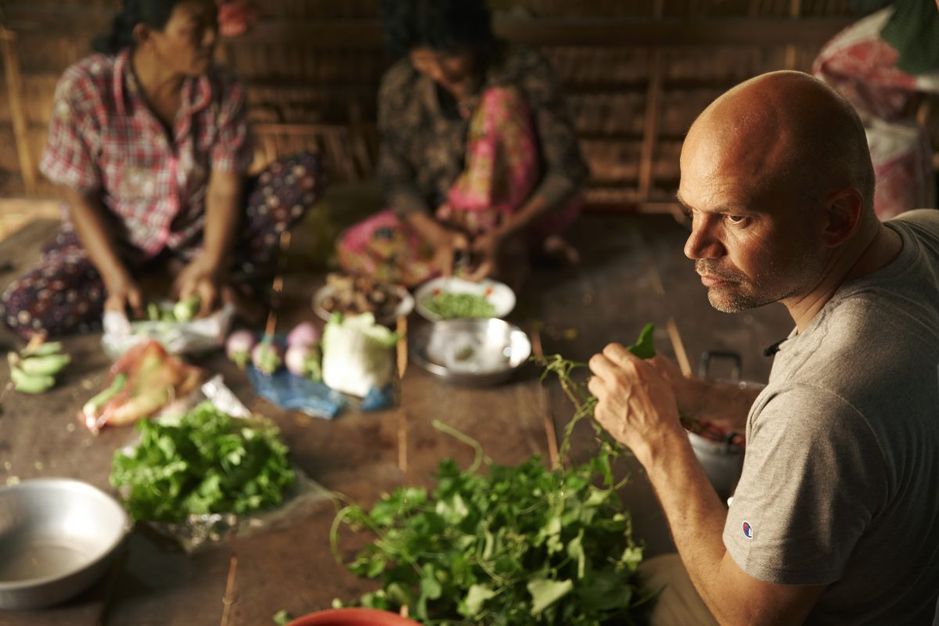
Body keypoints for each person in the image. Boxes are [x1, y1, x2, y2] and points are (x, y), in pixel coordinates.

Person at [589, 71, 939, 624]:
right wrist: (695, 396)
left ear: (836, 218)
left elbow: (748, 616)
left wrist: (656, 439)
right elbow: (857, 433)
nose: (694, 246)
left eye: (735, 216)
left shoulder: (819, 408)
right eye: (691, 211)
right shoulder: (925, 233)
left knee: (634, 591)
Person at [0, 0, 323, 340]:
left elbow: (225, 188)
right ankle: (170, 286)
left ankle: (203, 278)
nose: (212, 38)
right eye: (196, 28)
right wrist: (116, 278)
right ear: (147, 35)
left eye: (214, 24)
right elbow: (79, 196)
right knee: (25, 307)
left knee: (303, 174)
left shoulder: (224, 90)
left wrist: (212, 262)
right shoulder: (87, 89)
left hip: (197, 236)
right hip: (120, 242)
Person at [336, 0, 588, 288]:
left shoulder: (522, 71)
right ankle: (479, 257)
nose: (440, 72)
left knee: (501, 106)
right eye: (423, 60)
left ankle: (513, 246)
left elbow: (567, 172)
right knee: (354, 248)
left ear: (475, 41)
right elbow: (396, 180)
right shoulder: (401, 87)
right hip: (447, 223)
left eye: (451, 56)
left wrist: (501, 234)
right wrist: (439, 238)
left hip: (519, 218)